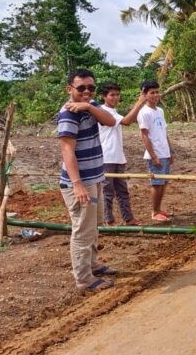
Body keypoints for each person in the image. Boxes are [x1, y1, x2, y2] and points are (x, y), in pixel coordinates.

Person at [57, 69, 119, 292]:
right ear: (69, 89)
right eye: (81, 87)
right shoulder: (68, 115)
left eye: (91, 88)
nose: (86, 91)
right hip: (80, 183)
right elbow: (67, 151)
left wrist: (89, 106)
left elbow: (111, 121)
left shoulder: (89, 109)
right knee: (82, 230)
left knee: (93, 226)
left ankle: (92, 265)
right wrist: (77, 184)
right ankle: (83, 278)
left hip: (94, 179)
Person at [98, 82, 145, 226]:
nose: (115, 98)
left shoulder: (113, 111)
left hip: (117, 157)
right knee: (107, 191)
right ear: (104, 96)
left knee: (122, 190)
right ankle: (109, 220)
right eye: (112, 95)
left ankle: (128, 218)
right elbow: (127, 121)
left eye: (117, 95)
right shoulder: (102, 111)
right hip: (107, 157)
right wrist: (139, 103)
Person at [137, 80, 174, 222]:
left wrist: (171, 151)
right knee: (156, 184)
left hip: (164, 152)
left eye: (157, 92)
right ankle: (154, 211)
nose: (155, 95)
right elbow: (144, 135)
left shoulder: (160, 111)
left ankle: (159, 209)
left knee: (164, 183)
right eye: (152, 92)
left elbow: (164, 132)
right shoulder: (144, 113)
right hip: (155, 154)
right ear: (144, 95)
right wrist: (154, 156)